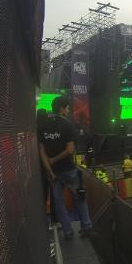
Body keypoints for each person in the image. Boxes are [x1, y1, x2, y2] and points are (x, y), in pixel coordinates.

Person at [38, 96, 92, 240]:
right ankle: (86, 227)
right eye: (67, 108)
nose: (68, 111)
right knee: (80, 197)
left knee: (59, 203)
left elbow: (42, 151)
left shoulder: (43, 127)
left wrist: (49, 168)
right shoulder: (68, 125)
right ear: (61, 109)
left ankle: (68, 232)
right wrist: (54, 160)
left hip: (54, 172)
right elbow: (70, 150)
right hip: (69, 170)